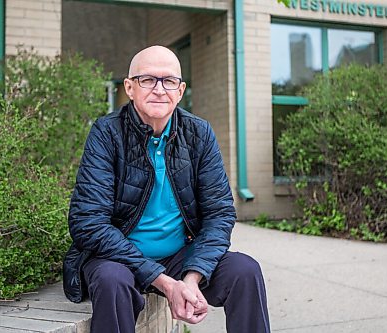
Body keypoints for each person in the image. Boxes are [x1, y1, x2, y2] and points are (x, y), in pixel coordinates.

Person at [62, 45, 271, 333]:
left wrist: (191, 277)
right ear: (130, 87)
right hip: (120, 257)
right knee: (111, 281)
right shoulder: (106, 133)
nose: (159, 89)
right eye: (147, 79)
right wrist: (162, 280)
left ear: (180, 90)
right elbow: (87, 223)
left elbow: (220, 214)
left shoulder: (199, 134)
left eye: (169, 81)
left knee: (245, 271)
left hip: (179, 257)